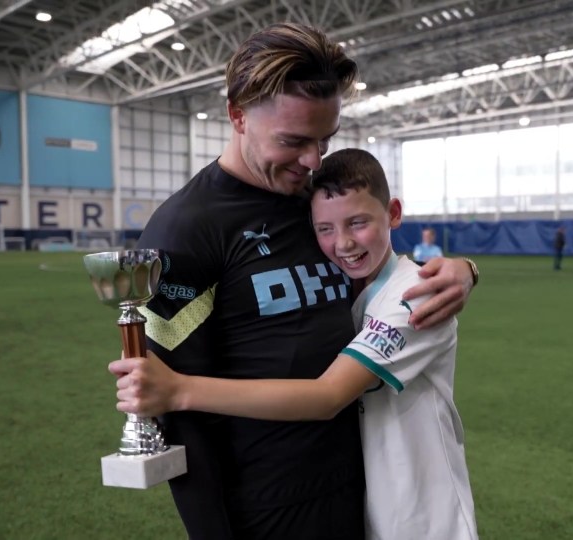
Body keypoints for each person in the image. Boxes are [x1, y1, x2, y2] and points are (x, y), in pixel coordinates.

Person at [129, 23, 477, 540]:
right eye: (294, 141)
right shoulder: (187, 229)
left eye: (324, 140)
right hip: (266, 507)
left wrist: (465, 270)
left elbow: (377, 271)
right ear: (237, 115)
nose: (313, 161)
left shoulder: (313, 200)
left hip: (364, 489)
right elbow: (176, 407)